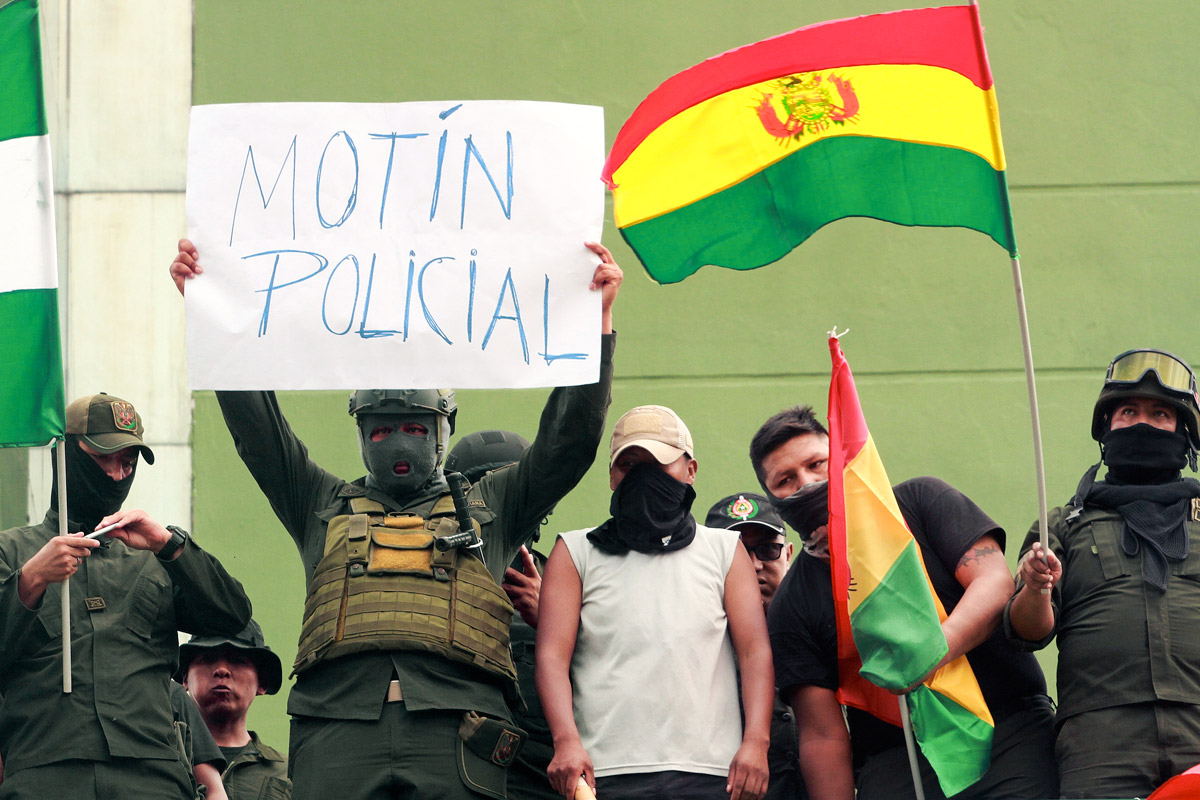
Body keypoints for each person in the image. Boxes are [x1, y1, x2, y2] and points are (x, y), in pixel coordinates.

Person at [171, 239, 620, 800]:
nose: (398, 442)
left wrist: (596, 326)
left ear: (441, 431)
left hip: (457, 729)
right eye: (381, 429)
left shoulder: (492, 506)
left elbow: (567, 444)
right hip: (337, 728)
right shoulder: (321, 502)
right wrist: (212, 313)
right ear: (361, 435)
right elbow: (258, 431)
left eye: (413, 427)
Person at [751, 405, 1057, 800]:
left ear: (841, 457)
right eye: (786, 480)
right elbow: (823, 736)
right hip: (897, 763)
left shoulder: (922, 502)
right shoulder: (791, 605)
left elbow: (995, 585)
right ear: (772, 497)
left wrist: (931, 653)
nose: (807, 484)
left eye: (816, 464)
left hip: (1009, 735)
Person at [0, 393, 251, 800]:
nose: (117, 475)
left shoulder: (155, 558)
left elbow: (232, 616)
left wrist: (169, 544)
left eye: (128, 463)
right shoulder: (11, 552)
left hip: (151, 775)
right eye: (104, 458)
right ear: (66, 455)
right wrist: (30, 580)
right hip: (47, 771)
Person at [537, 405, 773, 800]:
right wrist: (566, 742)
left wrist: (756, 743)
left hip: (712, 773)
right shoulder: (575, 552)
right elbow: (551, 656)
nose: (641, 476)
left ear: (690, 470)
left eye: (657, 463)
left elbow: (755, 652)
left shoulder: (724, 549)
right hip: (604, 774)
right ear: (612, 477)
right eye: (628, 464)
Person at [1006, 348, 1200, 799]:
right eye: (1128, 411)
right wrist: (1035, 587)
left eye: (1160, 414)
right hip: (1100, 743)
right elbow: (1027, 633)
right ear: (1106, 428)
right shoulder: (1062, 524)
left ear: (1185, 433)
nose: (1141, 423)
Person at [447, 430, 558, 800]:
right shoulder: (433, 582)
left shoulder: (569, 584)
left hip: (542, 780)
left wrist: (551, 619)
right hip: (455, 776)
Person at [705, 494, 806, 800]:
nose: (753, 564)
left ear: (788, 554)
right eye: (734, 553)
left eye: (768, 550)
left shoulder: (817, 624)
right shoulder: (697, 644)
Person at [178, 619, 291, 800]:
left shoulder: (287, 774)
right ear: (185, 679)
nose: (222, 670)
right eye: (208, 658)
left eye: (237, 660)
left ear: (261, 683)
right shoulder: (164, 758)